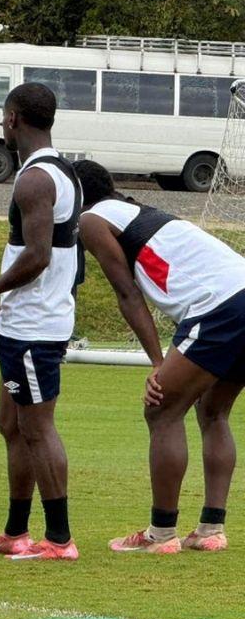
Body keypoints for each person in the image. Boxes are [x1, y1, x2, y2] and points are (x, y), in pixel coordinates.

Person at [75, 159, 245, 553]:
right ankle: (210, 530)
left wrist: (156, 364)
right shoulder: (136, 211)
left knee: (162, 409)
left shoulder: (93, 220)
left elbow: (127, 294)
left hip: (220, 306)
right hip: (235, 296)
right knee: (213, 411)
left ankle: (162, 532)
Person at [0, 83, 81, 561]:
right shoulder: (65, 172)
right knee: (11, 426)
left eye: (3, 117)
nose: (1, 125)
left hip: (35, 329)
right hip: (23, 326)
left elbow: (37, 256)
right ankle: (16, 532)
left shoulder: (35, 179)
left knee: (37, 428)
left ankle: (59, 539)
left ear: (14, 118)